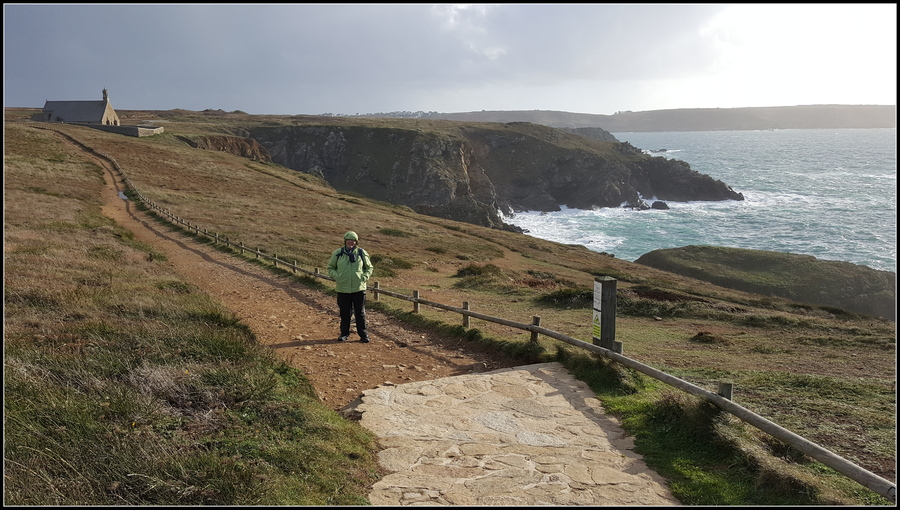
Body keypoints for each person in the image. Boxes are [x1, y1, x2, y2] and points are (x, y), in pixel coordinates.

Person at [326, 231, 374, 343]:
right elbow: (330, 267)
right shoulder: (338, 253)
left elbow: (369, 267)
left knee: (360, 313)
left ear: (356, 242)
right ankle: (344, 334)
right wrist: (337, 276)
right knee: (345, 312)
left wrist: (364, 277)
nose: (351, 242)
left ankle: (363, 335)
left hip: (359, 288)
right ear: (345, 241)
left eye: (353, 240)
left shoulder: (362, 253)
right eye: (349, 240)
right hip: (343, 288)